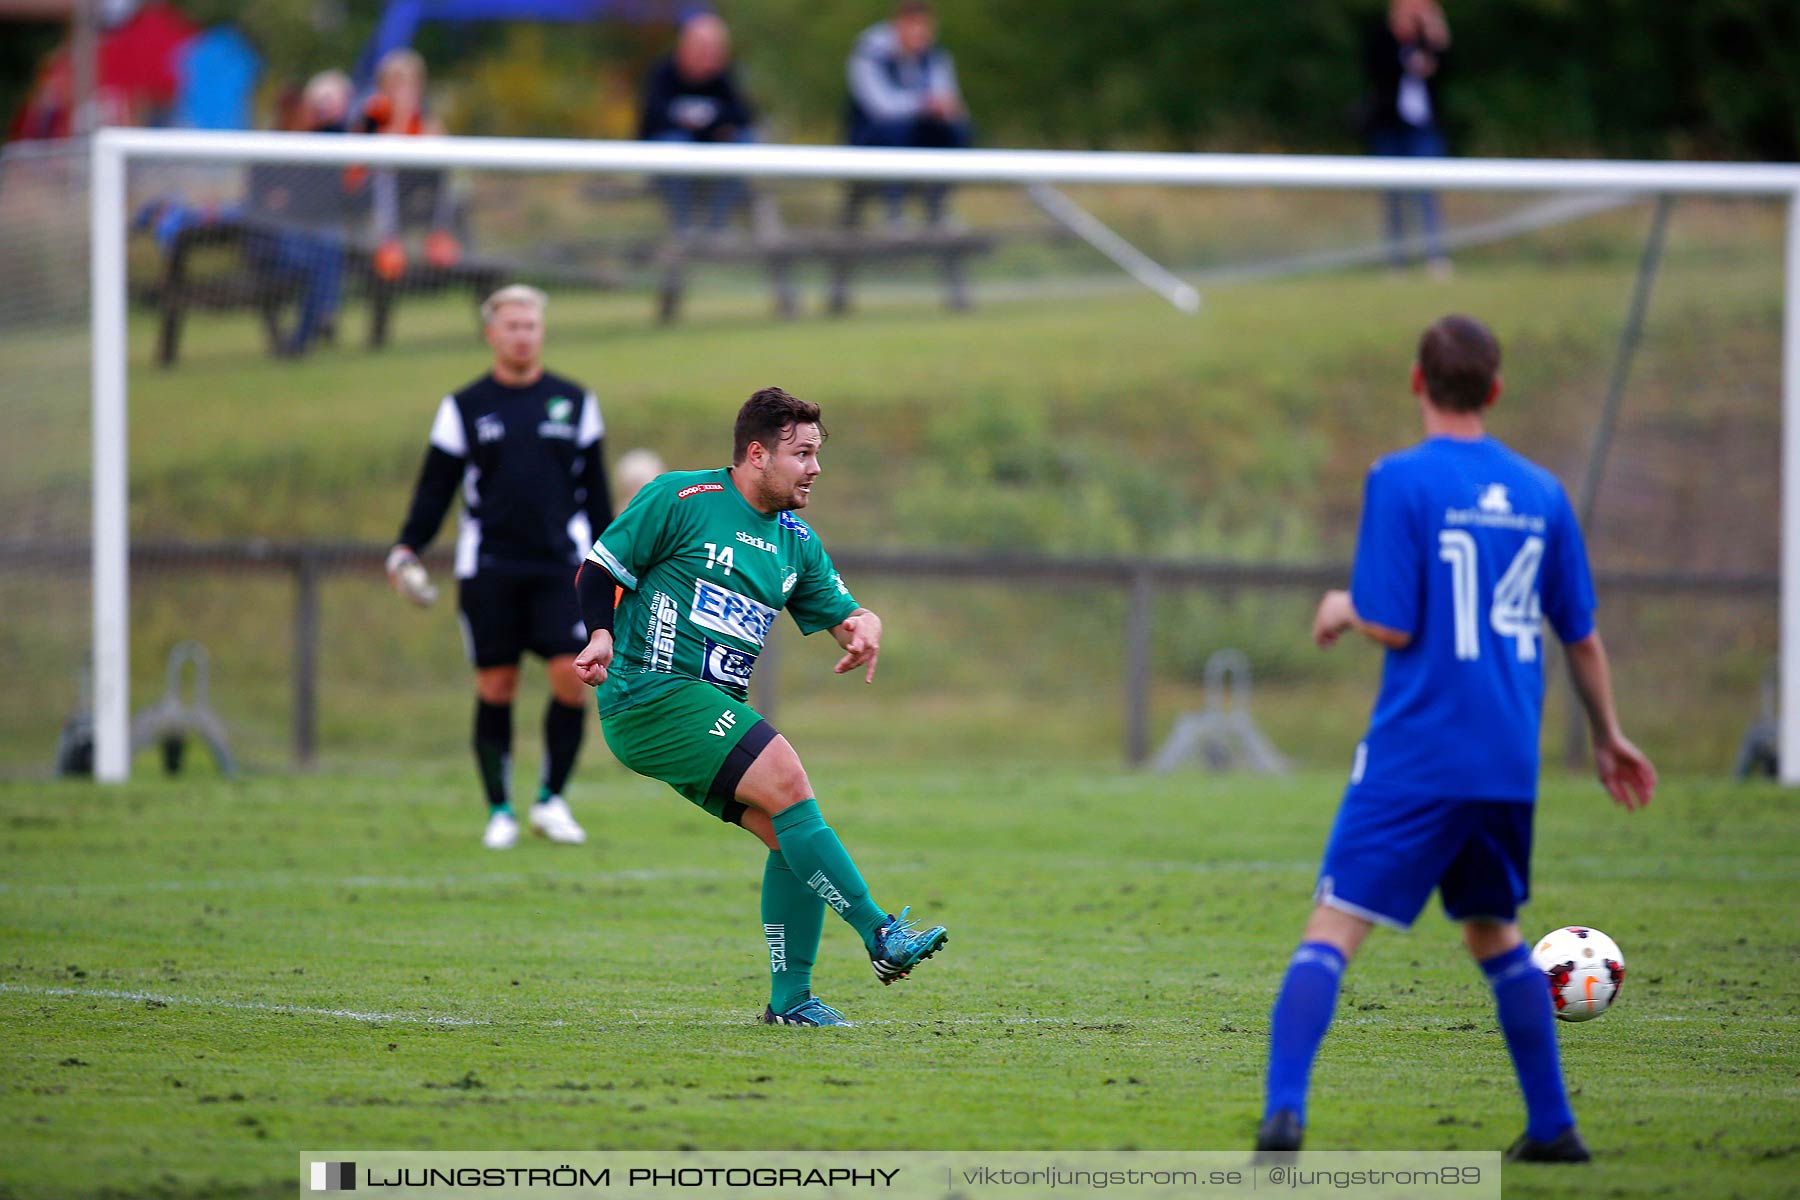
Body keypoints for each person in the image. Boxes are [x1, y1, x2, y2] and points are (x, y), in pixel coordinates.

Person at [1255, 315, 1656, 1162]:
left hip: (1420, 753)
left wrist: (1340, 605)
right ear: (1497, 389)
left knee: (1331, 932)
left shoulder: (1400, 479)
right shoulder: (1544, 493)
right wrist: (1610, 735)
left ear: (1416, 382)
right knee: (1493, 932)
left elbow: (1395, 625)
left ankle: (1282, 1119)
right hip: (1506, 761)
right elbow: (1580, 634)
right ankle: (1554, 1128)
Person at [572, 387, 948, 1026]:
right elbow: (599, 571)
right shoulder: (681, 498)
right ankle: (882, 933)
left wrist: (865, 623)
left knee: (791, 838)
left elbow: (842, 612)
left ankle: (790, 1001)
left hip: (706, 709)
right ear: (756, 454)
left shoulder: (795, 541)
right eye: (802, 454)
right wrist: (601, 634)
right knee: (792, 782)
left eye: (817, 454)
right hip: (650, 694)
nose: (816, 468)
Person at [387, 285, 613, 850]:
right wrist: (408, 547)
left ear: (541, 332)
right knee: (497, 683)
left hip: (564, 565)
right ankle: (499, 810)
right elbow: (435, 489)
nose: (522, 334)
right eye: (511, 325)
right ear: (491, 333)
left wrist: (617, 563)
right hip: (488, 567)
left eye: (531, 326)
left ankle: (551, 801)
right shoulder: (463, 407)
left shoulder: (575, 403)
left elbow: (599, 498)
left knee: (572, 676)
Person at [846, 0, 971, 224]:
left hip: (918, 133)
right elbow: (880, 107)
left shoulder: (934, 55)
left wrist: (945, 108)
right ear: (898, 25)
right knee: (896, 129)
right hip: (872, 136)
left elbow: (951, 101)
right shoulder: (870, 52)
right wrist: (924, 104)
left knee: (956, 130)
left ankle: (937, 207)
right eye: (914, 27)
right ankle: (893, 211)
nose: (921, 35)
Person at [638, 13, 757, 232]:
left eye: (715, 49)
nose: (709, 55)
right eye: (703, 47)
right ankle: (683, 228)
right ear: (685, 46)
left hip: (714, 159)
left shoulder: (724, 78)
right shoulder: (663, 73)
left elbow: (743, 116)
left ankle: (716, 227)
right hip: (673, 161)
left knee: (745, 142)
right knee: (673, 143)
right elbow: (650, 120)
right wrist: (685, 123)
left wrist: (710, 122)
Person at [1364, 0, 1452, 275]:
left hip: (1423, 127)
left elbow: (1448, 70)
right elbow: (1374, 72)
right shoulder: (1383, 36)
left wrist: (1435, 33)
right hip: (1390, 126)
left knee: (1428, 193)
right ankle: (1396, 259)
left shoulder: (1429, 39)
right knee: (1393, 195)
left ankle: (1435, 255)